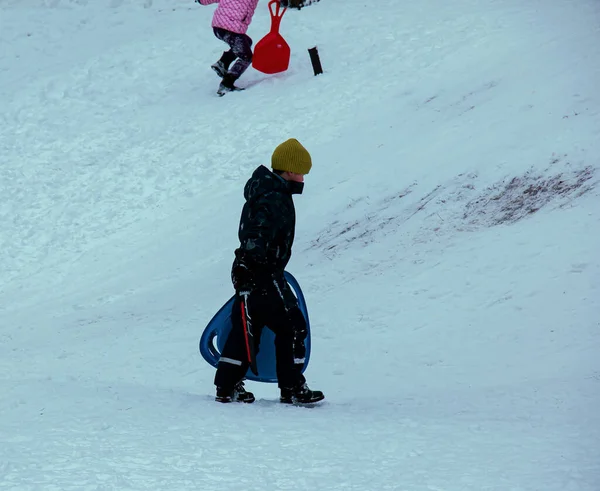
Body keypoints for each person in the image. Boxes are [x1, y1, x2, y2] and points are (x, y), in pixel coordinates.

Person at [214, 139, 324, 405]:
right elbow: (257, 234)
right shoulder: (273, 197)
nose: (302, 179)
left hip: (253, 271)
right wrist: (251, 263)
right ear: (287, 170)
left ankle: (227, 387)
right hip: (261, 271)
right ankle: (292, 387)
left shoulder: (267, 191)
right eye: (300, 173)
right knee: (292, 326)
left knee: (247, 328)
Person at [195, 0, 261, 95]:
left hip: (219, 27)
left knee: (246, 42)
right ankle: (227, 84)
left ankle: (223, 63)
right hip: (230, 29)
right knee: (246, 56)